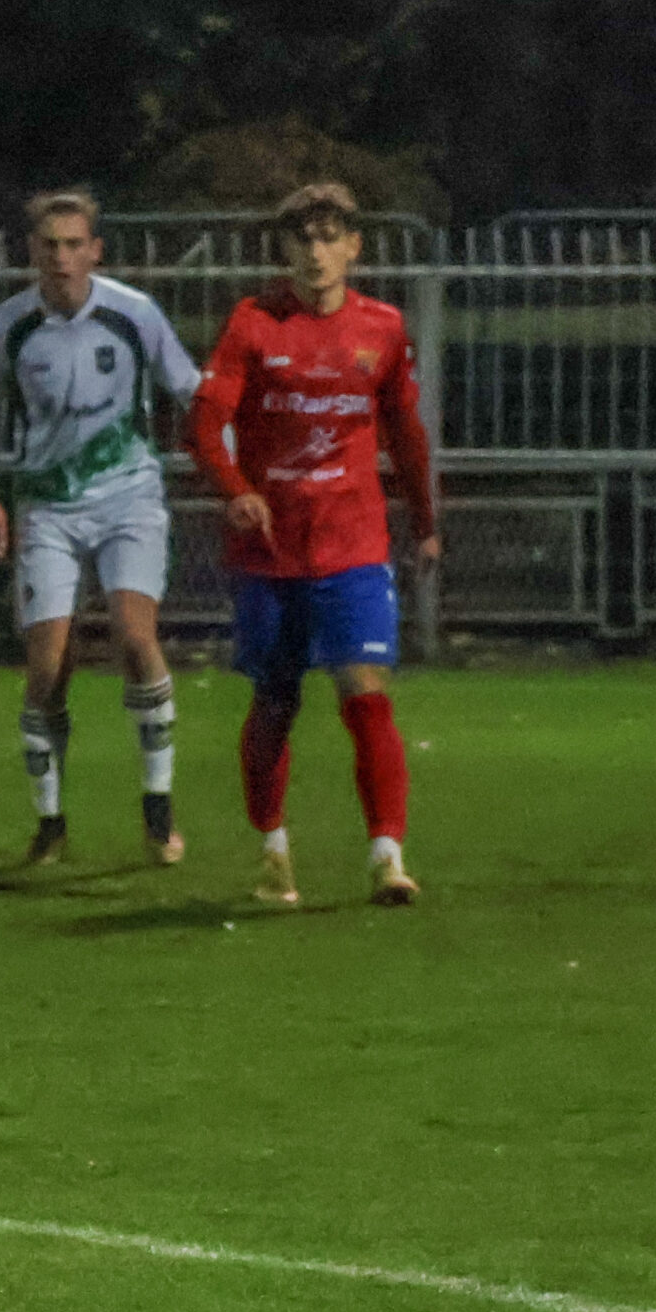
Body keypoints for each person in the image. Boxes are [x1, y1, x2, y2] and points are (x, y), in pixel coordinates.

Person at [188, 181, 438, 908]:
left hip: (352, 544)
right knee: (275, 701)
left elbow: (405, 433)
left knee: (366, 693)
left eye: (330, 237)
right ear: (284, 249)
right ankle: (273, 849)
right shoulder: (253, 324)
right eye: (303, 238)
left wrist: (425, 520)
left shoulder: (382, 328)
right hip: (271, 551)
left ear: (354, 247)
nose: (316, 252)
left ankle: (388, 857)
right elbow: (202, 425)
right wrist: (236, 489)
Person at [0, 190, 201, 866]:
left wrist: (233, 457)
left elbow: (190, 388)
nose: (62, 258)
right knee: (47, 665)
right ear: (32, 252)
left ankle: (158, 808)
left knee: (135, 637)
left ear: (95, 251)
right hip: (47, 505)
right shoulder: (11, 324)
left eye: (75, 245)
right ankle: (50, 822)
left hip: (129, 497)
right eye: (50, 246)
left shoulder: (134, 313)